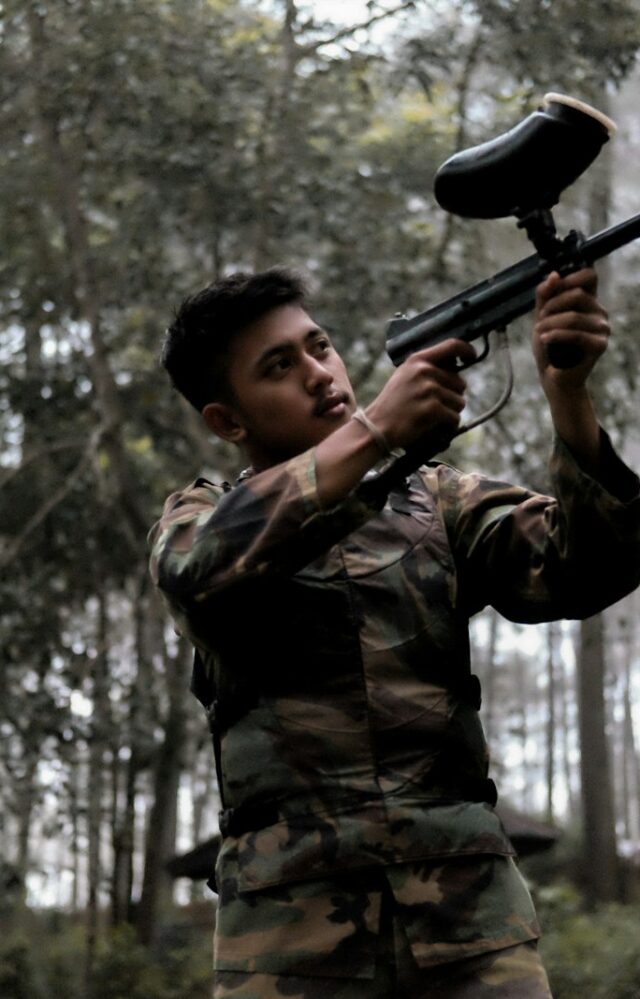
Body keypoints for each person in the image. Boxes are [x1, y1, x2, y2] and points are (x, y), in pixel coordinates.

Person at [149, 265, 640, 998]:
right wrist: (376, 429)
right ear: (228, 419)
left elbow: (584, 571)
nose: (320, 375)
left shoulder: (440, 502)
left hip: (473, 929)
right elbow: (203, 570)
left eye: (319, 347)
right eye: (280, 366)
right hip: (289, 942)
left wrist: (568, 395)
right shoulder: (200, 518)